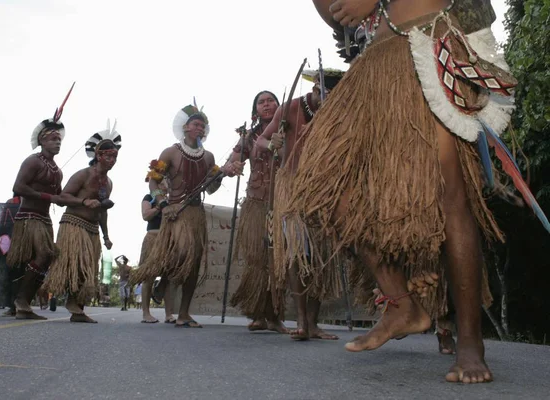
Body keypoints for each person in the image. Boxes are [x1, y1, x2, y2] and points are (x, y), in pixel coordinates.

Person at [286, 0, 520, 383]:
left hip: (428, 37)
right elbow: (338, 15)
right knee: (327, 189)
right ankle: (402, 303)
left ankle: (470, 344)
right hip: (377, 60)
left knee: (450, 197)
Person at [136, 101, 243, 328]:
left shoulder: (208, 157)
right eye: (196, 124)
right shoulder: (171, 152)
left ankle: (183, 313)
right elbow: (153, 180)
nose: (200, 129)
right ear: (185, 128)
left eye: (202, 126)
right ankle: (163, 282)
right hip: (174, 213)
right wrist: (163, 204)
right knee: (181, 253)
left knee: (193, 263)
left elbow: (210, 189)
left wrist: (222, 174)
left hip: (195, 214)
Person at [256, 69, 344, 340]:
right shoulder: (291, 107)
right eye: (323, 95)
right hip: (291, 188)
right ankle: (303, 322)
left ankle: (314, 324)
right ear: (315, 89)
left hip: (323, 191)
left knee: (320, 257)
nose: (327, 101)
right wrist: (275, 145)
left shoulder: (337, 112)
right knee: (297, 254)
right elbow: (261, 140)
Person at [220, 90, 287, 333]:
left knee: (278, 259)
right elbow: (230, 164)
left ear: (279, 106)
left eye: (270, 101)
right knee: (257, 260)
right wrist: (233, 166)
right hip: (256, 202)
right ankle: (258, 314)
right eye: (261, 102)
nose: (266, 105)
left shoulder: (290, 128)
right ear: (255, 109)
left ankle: (276, 316)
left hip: (283, 202)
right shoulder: (249, 136)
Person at [43, 119, 120, 323]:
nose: (112, 160)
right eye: (109, 156)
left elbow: (103, 210)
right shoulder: (83, 175)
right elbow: (61, 198)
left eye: (115, 156)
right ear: (98, 155)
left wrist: (106, 236)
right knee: (80, 265)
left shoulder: (109, 183)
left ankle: (77, 308)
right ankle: (71, 302)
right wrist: (85, 201)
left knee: (90, 270)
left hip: (93, 229)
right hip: (74, 224)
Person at [6, 89, 74, 320]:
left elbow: (61, 196)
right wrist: (49, 198)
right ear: (42, 140)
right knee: (43, 254)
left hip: (45, 221)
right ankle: (20, 300)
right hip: (28, 218)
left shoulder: (58, 171)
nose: (57, 142)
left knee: (48, 257)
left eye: (59, 139)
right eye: (53, 139)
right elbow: (18, 187)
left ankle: (22, 301)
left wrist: (82, 199)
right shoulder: (33, 161)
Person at [131, 179, 177, 323]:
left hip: (168, 240)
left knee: (169, 277)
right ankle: (146, 313)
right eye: (163, 183)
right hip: (152, 237)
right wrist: (159, 207)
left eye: (167, 184)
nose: (165, 186)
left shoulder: (173, 200)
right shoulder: (148, 198)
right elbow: (145, 216)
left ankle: (169, 314)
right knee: (149, 276)